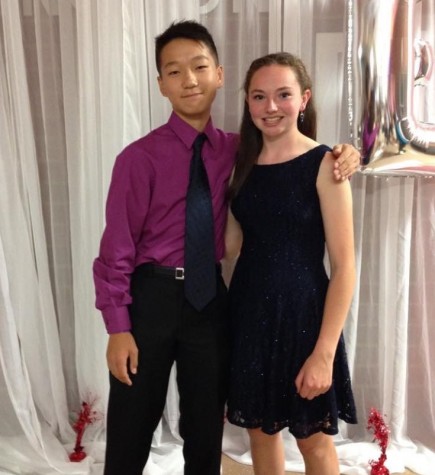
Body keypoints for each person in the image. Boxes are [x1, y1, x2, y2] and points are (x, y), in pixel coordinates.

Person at [93, 20, 360, 475]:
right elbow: (115, 249)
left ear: (219, 74)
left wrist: (347, 151)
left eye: (199, 66)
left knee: (205, 431)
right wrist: (118, 327)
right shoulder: (138, 159)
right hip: (151, 301)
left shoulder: (240, 152)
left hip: (212, 306)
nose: (189, 79)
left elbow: (291, 158)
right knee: (132, 427)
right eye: (174, 71)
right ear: (160, 84)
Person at [224, 52, 358, 475]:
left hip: (304, 319)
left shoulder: (325, 164)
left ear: (304, 99)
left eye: (283, 95)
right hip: (248, 314)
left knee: (313, 441)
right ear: (247, 103)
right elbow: (229, 246)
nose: (270, 107)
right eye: (259, 97)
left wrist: (324, 352)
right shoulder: (240, 167)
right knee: (260, 436)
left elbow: (345, 267)